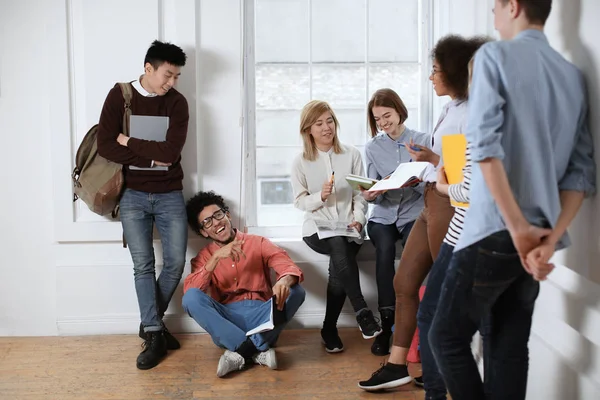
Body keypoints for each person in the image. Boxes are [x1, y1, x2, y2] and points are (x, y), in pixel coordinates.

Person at [429, 1, 596, 399]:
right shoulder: (571, 74)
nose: (493, 16)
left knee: (445, 338)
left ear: (514, 6)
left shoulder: (493, 55)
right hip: (536, 241)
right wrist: (547, 241)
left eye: (495, 9)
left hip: (495, 230)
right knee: (507, 348)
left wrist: (518, 229)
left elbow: (484, 149)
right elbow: (581, 174)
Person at [359, 35, 487, 391]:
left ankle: (438, 372)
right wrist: (430, 160)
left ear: (456, 74)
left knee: (439, 294)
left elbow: (467, 174)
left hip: (447, 204)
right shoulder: (451, 106)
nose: (431, 77)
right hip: (430, 201)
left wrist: (437, 171)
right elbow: (452, 161)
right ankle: (398, 366)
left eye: (435, 71)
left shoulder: (471, 111)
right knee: (404, 283)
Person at [96, 40, 189, 370]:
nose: (172, 83)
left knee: (176, 263)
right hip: (132, 194)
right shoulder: (120, 95)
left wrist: (130, 141)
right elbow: (105, 146)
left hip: (170, 193)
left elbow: (171, 154)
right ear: (148, 68)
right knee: (143, 266)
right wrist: (151, 159)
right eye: (167, 75)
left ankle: (150, 322)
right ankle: (154, 332)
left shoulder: (177, 104)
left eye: (176, 76)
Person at [416, 48, 490, 400]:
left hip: (462, 221)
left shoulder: (480, 117)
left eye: (435, 70)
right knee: (433, 316)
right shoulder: (458, 110)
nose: (431, 77)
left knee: (439, 322)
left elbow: (469, 186)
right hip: (452, 210)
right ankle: (432, 389)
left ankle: (435, 392)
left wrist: (445, 184)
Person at [182, 191, 306, 378]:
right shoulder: (204, 257)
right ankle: (258, 349)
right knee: (190, 297)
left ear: (227, 215)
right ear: (203, 231)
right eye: (207, 222)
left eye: (218, 215)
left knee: (296, 290)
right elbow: (191, 295)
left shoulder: (258, 242)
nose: (216, 222)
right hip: (227, 321)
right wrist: (215, 258)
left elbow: (286, 265)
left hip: (262, 317)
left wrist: (284, 281)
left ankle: (240, 352)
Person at [291, 100, 381, 353]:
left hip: (349, 227)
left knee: (339, 266)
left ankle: (329, 328)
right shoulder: (300, 162)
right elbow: (299, 202)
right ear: (308, 129)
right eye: (318, 123)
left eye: (329, 121)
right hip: (316, 230)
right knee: (337, 244)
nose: (326, 127)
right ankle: (362, 311)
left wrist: (359, 220)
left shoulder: (352, 154)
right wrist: (320, 196)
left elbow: (360, 196)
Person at [361, 88, 430, 356]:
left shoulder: (424, 140)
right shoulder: (373, 148)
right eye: (378, 119)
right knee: (385, 251)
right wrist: (370, 194)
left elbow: (434, 176)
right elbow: (371, 190)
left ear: (399, 111)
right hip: (383, 216)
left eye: (386, 115)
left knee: (417, 257)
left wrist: (419, 178)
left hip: (414, 212)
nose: (383, 122)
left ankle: (417, 326)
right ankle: (387, 325)